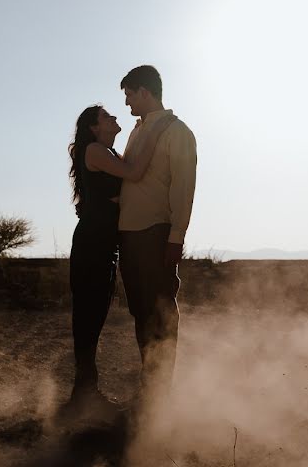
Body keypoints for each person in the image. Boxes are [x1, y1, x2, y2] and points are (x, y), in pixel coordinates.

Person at [65, 104, 174, 417]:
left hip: (103, 246)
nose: (114, 117)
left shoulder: (108, 154)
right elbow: (136, 172)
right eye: (106, 116)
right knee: (87, 319)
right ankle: (83, 397)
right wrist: (155, 129)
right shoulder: (96, 151)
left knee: (94, 318)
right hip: (91, 245)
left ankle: (84, 394)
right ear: (94, 128)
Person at [117, 65, 197, 409]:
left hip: (156, 233)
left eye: (129, 95)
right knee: (140, 313)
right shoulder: (137, 132)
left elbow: (183, 186)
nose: (127, 103)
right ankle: (149, 386)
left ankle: (160, 395)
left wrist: (176, 236)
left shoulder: (178, 132)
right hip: (129, 236)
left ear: (145, 92)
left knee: (162, 312)